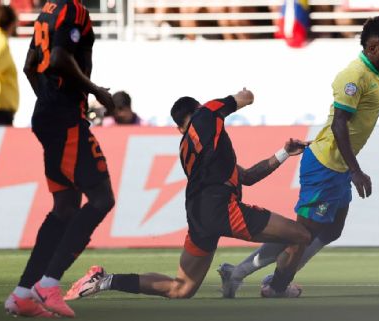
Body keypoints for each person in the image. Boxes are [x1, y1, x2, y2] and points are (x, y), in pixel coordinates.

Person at [218, 15, 379, 299]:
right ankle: (256, 278)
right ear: (373, 47)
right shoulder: (352, 77)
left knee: (332, 231)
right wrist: (355, 170)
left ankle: (276, 275)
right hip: (325, 165)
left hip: (339, 168)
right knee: (299, 233)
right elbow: (340, 123)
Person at [62, 88, 312, 302]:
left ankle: (105, 281)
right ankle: (277, 287)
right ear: (198, 108)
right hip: (222, 208)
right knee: (300, 235)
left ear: (179, 127)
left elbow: (246, 177)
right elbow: (246, 97)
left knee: (181, 288)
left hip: (197, 214)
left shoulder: (187, 150)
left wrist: (283, 153)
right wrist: (246, 93)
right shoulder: (206, 113)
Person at [4, 0, 116, 317]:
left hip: (49, 114)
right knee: (101, 197)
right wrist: (95, 90)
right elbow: (58, 57)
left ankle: (23, 293)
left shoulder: (47, 12)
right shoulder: (73, 10)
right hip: (64, 118)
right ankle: (48, 284)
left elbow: (30, 65)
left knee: (65, 207)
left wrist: (48, 101)